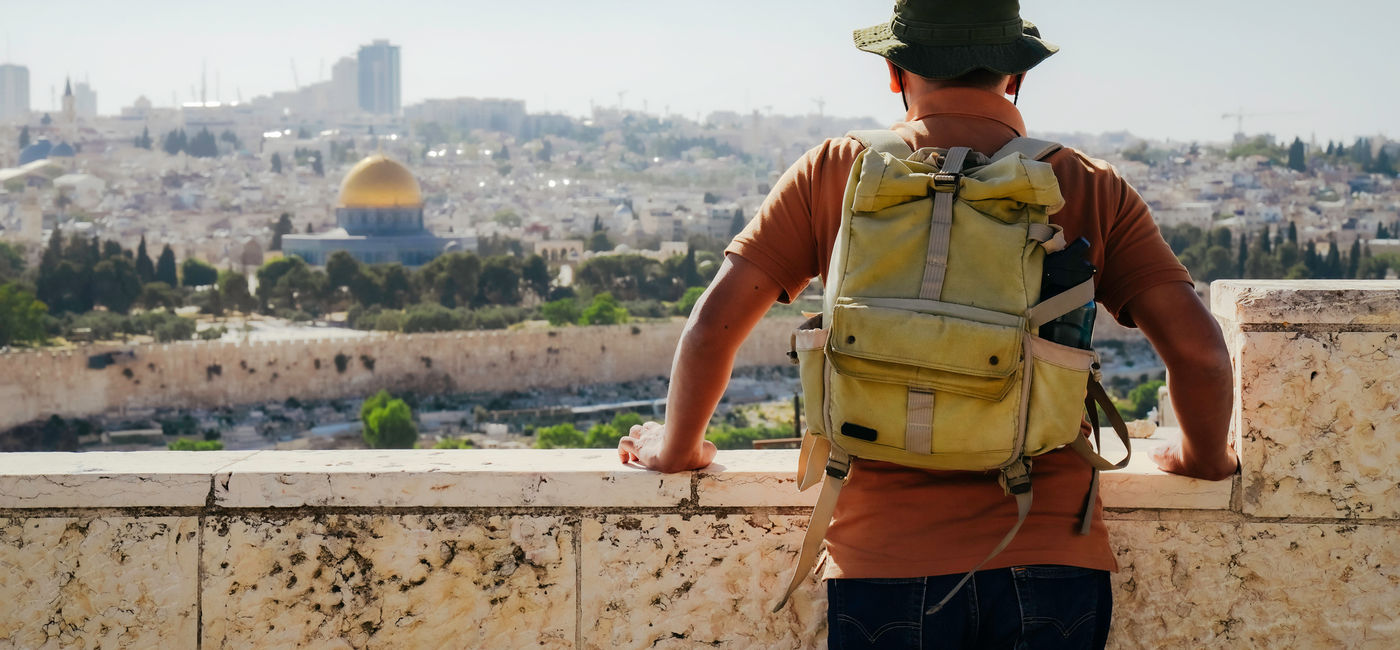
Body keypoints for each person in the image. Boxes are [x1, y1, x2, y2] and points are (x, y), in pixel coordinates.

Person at [618, 1, 1238, 647]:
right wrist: (1203, 458)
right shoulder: (1085, 183)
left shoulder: (836, 170)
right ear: (1016, 75)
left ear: (895, 71)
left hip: (884, 559)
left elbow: (715, 322)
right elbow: (1199, 354)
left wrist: (677, 449)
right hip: (1051, 554)